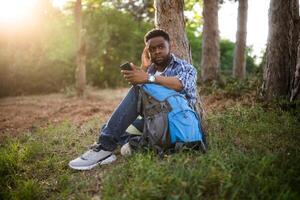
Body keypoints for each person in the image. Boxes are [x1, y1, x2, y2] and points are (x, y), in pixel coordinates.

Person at [69, 29, 199, 170]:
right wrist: (143, 68)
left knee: (137, 91)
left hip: (177, 122)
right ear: (147, 51)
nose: (157, 51)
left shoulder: (185, 68)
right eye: (152, 49)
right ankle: (137, 145)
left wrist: (148, 78)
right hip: (154, 121)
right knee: (113, 128)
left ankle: (104, 147)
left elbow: (180, 84)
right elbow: (141, 101)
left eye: (161, 47)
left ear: (170, 46)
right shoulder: (150, 70)